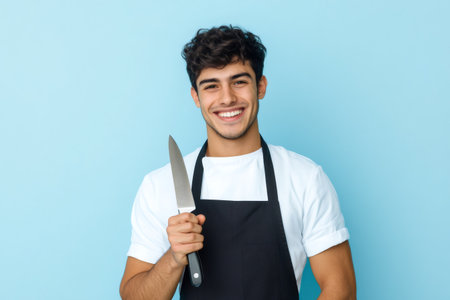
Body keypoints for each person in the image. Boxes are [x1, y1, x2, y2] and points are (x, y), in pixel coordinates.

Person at [120, 25, 356, 300]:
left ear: (261, 87)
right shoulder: (160, 184)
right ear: (196, 97)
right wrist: (174, 258)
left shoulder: (304, 177)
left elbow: (341, 288)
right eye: (211, 86)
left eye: (239, 81)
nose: (227, 98)